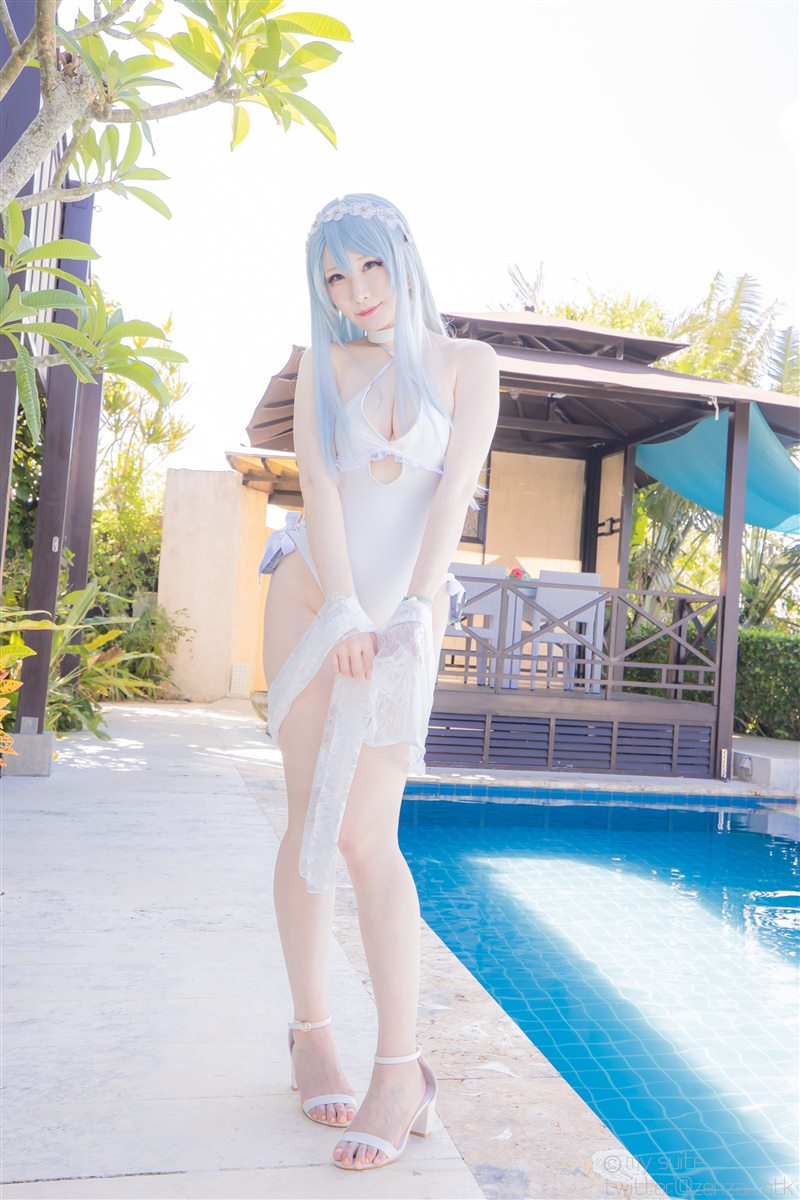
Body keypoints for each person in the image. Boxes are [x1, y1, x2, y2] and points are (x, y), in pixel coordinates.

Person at [259, 192, 499, 1172]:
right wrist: (345, 609)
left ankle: (400, 1070)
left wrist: (408, 608)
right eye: (334, 276)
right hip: (311, 597)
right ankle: (311, 1032)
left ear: (401, 258)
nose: (356, 293)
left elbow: (452, 493)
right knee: (310, 826)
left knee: (367, 836)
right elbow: (320, 489)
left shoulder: (469, 364)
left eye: (369, 267)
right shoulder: (323, 365)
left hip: (402, 614)